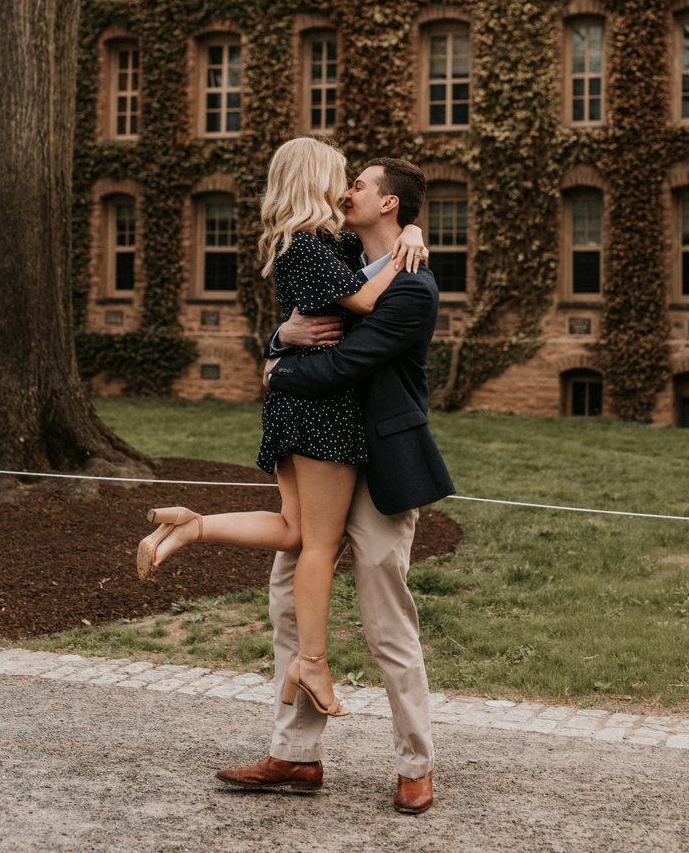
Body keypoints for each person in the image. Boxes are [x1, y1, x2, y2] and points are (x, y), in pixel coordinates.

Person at [136, 138, 427, 718]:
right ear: (315, 180)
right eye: (340, 177)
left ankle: (194, 526)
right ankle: (312, 664)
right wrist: (404, 253)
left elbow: (374, 244)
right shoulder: (306, 248)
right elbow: (366, 299)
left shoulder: (327, 242)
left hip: (301, 408)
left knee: (295, 532)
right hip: (319, 412)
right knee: (316, 543)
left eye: (356, 183)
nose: (345, 189)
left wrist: (413, 231)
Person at [215, 157, 455, 815]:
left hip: (379, 467)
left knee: (387, 621)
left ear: (389, 205)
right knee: (289, 607)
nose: (346, 192)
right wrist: (279, 335)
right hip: (323, 456)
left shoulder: (413, 287)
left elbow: (343, 363)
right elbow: (307, 311)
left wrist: (276, 370)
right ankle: (295, 753)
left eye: (360, 185)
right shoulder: (341, 255)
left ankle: (416, 764)